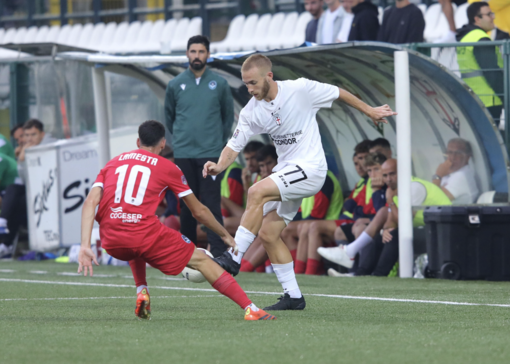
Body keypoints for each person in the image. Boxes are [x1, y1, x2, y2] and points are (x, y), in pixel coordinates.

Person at [203, 54, 396, 310]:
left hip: (311, 169)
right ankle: (293, 296)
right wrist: (219, 165)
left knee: (256, 190)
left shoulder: (300, 89)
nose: (249, 90)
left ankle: (234, 256)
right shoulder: (252, 110)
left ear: (269, 76)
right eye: (246, 84)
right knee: (269, 233)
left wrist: (369, 110)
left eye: (253, 83)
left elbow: (338, 92)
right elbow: (234, 145)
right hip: (288, 173)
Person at [77, 120, 275, 321]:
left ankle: (142, 291)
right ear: (163, 143)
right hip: (142, 235)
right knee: (203, 261)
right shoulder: (167, 167)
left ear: (138, 141)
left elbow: (90, 203)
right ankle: (251, 309)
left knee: (133, 240)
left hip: (112, 240)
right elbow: (198, 211)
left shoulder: (112, 163)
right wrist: (224, 235)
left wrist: (85, 245)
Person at [318, 159, 451, 275]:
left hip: (445, 232)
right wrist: (385, 229)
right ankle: (358, 270)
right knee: (384, 231)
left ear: (403, 171)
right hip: (427, 228)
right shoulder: (397, 189)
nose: (388, 179)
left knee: (396, 234)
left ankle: (376, 273)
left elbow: (403, 223)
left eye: (392, 174)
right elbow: (390, 217)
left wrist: (390, 200)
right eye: (385, 175)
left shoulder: (414, 187)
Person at [165, 35, 234, 257]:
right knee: (186, 205)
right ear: (187, 54)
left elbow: (227, 118)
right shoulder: (175, 84)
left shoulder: (220, 84)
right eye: (193, 51)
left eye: (201, 52)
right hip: (184, 153)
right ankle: (188, 253)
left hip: (211, 154)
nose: (197, 56)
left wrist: (215, 142)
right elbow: (170, 117)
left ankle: (220, 252)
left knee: (212, 204)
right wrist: (183, 139)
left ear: (208, 55)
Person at [0, 119, 55, 253]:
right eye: (27, 135)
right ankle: (5, 239)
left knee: (14, 196)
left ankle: (5, 239)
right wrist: (22, 159)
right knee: (14, 194)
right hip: (36, 191)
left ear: (42, 134)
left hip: (51, 190)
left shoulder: (51, 144)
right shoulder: (29, 149)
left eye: (33, 135)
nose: (28, 139)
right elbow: (25, 179)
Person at [456, 2, 504, 125]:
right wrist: (505, 98)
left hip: (472, 98)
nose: (493, 17)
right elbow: (492, 73)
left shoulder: (465, 38)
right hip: (490, 100)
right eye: (489, 14)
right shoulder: (481, 39)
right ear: (477, 19)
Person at [240, 145, 279, 273]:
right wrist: (247, 187)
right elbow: (251, 208)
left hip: (291, 224)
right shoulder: (261, 179)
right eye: (262, 166)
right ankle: (241, 267)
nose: (266, 169)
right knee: (259, 228)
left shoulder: (283, 180)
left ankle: (246, 269)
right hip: (273, 223)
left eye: (269, 163)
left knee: (265, 229)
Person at [432, 138, 479, 204]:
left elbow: (434, 200)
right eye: (450, 152)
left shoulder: (462, 175)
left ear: (467, 157)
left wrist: (438, 175)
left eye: (458, 153)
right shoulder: (450, 173)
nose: (453, 157)